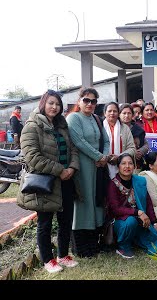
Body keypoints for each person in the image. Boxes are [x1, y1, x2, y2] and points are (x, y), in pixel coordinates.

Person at [17, 90, 80, 273]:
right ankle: (48, 260)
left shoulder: (62, 125)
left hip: (67, 180)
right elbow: (33, 157)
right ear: (43, 103)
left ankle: (63, 255)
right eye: (51, 103)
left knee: (66, 220)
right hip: (46, 182)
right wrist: (60, 171)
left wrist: (72, 168)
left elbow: (73, 149)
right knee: (44, 222)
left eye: (57, 104)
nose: (54, 107)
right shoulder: (31, 126)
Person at [66, 87, 110, 258]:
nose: (90, 104)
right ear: (79, 101)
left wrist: (104, 157)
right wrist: (98, 156)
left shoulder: (97, 119)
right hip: (82, 169)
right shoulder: (73, 118)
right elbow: (79, 142)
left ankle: (94, 244)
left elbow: (106, 140)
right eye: (86, 100)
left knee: (95, 203)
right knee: (83, 204)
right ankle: (80, 248)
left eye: (93, 101)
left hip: (98, 169)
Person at [106, 153, 157, 258]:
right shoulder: (113, 184)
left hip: (140, 220)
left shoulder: (139, 181)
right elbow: (115, 209)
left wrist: (154, 223)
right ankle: (123, 247)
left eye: (130, 163)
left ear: (134, 166)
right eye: (123, 163)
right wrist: (137, 212)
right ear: (118, 167)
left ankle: (135, 240)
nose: (127, 166)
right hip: (120, 222)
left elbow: (148, 202)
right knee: (130, 221)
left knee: (156, 241)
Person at [103, 101, 136, 179]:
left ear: (118, 113)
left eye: (115, 111)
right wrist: (106, 158)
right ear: (105, 113)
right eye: (109, 111)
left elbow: (132, 148)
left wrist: (119, 157)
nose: (112, 113)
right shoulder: (100, 127)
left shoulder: (125, 128)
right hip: (103, 166)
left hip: (122, 167)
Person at [119, 103, 149, 173]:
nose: (126, 115)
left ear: (132, 115)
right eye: (124, 113)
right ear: (119, 114)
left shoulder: (138, 130)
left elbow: (146, 144)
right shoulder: (115, 129)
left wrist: (140, 151)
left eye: (129, 113)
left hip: (135, 163)